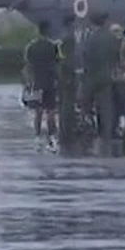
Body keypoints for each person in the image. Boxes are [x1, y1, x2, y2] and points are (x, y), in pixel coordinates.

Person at [82, 13, 121, 155]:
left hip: (91, 76)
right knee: (106, 107)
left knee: (87, 105)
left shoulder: (89, 38)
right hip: (106, 77)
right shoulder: (111, 38)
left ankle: (90, 129)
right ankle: (106, 135)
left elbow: (85, 55)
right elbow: (116, 55)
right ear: (105, 22)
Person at [24, 20, 60, 151]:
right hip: (50, 82)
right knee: (51, 111)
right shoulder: (53, 46)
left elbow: (28, 66)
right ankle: (52, 135)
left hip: (37, 82)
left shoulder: (31, 46)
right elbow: (56, 64)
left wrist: (28, 82)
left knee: (38, 111)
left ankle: (38, 135)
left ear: (38, 31)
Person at [57, 15, 78, 150]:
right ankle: (66, 131)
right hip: (68, 73)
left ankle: (65, 129)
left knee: (64, 103)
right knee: (68, 104)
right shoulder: (70, 37)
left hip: (64, 72)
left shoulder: (63, 36)